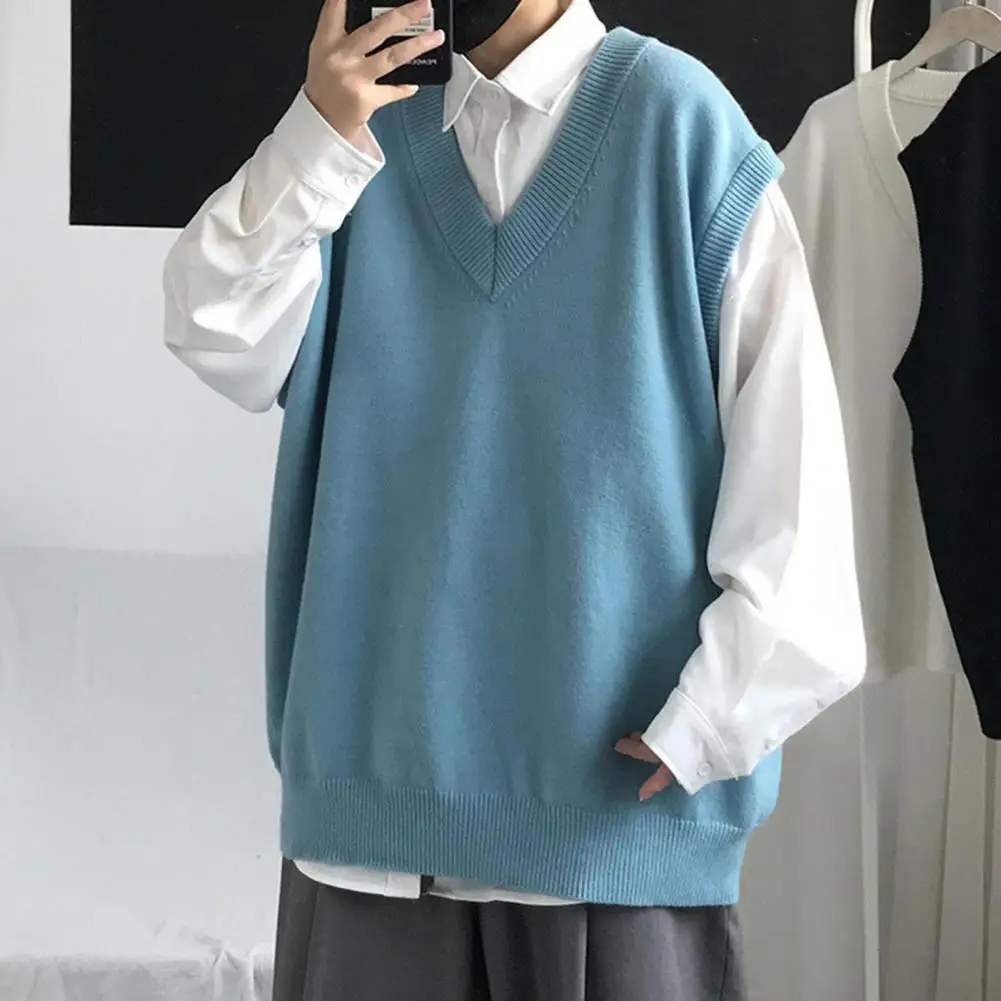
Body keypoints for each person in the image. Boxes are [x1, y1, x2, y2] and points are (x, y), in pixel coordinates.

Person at [163, 0, 866, 998]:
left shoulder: (679, 124)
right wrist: (317, 133)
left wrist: (709, 720)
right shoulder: (355, 140)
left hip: (611, 833)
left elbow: (794, 477)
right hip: (370, 835)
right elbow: (210, 325)